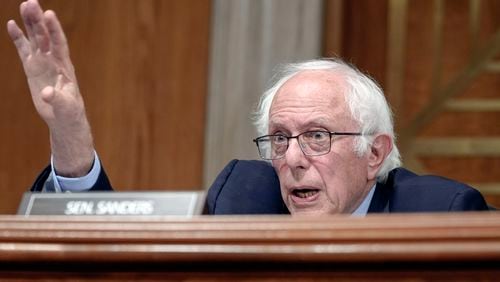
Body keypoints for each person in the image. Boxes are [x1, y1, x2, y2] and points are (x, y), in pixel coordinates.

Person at [8, 0, 490, 215]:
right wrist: (71, 132)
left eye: (318, 136)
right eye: (280, 138)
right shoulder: (244, 197)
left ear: (374, 153)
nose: (293, 159)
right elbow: (116, 259)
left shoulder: (440, 210)